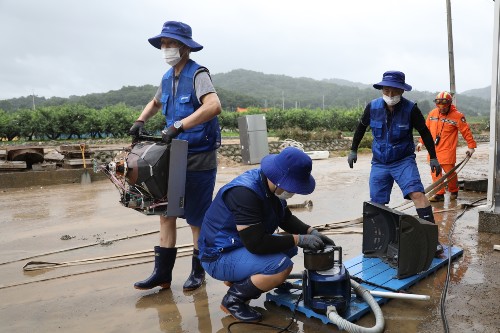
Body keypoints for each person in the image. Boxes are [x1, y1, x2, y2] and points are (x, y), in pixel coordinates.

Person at [129, 21, 222, 292]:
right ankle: (162, 274)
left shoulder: (198, 74)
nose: (166, 48)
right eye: (163, 44)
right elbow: (156, 102)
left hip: (198, 157)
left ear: (184, 47)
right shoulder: (167, 77)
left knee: (195, 217)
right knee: (166, 212)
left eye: (171, 44)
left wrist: (179, 125)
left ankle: (197, 272)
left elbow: (214, 106)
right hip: (172, 155)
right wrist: (141, 119)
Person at [198, 147, 335, 322]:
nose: (293, 192)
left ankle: (243, 280)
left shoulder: (271, 187)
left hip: (238, 245)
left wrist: (310, 231)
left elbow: (285, 218)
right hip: (218, 256)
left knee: (289, 249)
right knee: (282, 266)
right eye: (293, 186)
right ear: (280, 179)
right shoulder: (245, 193)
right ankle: (233, 300)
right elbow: (256, 244)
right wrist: (299, 239)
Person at [347, 70, 443, 255]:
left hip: (403, 160)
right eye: (387, 90)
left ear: (402, 92)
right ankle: (382, 241)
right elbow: (360, 128)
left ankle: (432, 240)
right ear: (382, 89)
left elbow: (424, 133)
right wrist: (353, 149)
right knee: (377, 203)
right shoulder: (372, 107)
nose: (390, 95)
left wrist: (433, 156)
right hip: (380, 162)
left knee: (417, 194)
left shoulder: (410, 109)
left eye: (394, 91)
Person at [416, 91, 477, 202]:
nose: (442, 108)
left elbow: (466, 131)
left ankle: (454, 190)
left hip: (447, 150)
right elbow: (426, 130)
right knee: (435, 171)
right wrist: (421, 142)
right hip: (433, 150)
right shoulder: (432, 114)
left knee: (450, 173)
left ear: (449, 104)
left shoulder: (457, 116)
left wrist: (471, 146)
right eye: (439, 106)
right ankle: (439, 194)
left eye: (444, 106)